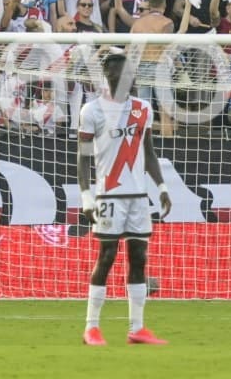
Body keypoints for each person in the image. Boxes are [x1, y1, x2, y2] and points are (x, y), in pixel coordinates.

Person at [75, 49, 170, 347]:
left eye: (129, 71)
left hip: (139, 197)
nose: (127, 76)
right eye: (120, 71)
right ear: (109, 75)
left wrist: (162, 187)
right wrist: (86, 196)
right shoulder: (91, 111)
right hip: (109, 197)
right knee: (106, 257)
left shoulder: (143, 108)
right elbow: (83, 158)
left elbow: (149, 151)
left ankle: (137, 328)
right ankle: (91, 327)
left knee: (139, 258)